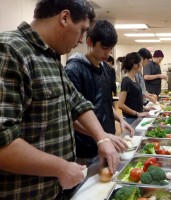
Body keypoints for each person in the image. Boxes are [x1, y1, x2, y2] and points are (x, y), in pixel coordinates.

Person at [0, 1, 120, 199]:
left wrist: (102, 138)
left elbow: (77, 102)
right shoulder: (10, 50)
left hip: (55, 189)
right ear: (64, 18)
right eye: (81, 30)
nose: (82, 40)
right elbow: (3, 142)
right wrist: (61, 167)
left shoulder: (50, 56)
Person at [65, 20, 134, 166]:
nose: (108, 53)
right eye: (104, 48)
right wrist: (102, 137)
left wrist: (120, 120)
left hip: (109, 141)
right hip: (87, 149)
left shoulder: (107, 70)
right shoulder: (74, 70)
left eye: (111, 49)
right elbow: (71, 118)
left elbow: (105, 104)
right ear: (89, 41)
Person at [118, 52, 151, 124]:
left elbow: (134, 100)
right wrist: (137, 113)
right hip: (130, 119)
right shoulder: (126, 80)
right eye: (140, 63)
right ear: (135, 65)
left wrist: (145, 108)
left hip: (137, 117)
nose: (142, 65)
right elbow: (120, 105)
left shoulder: (134, 78)